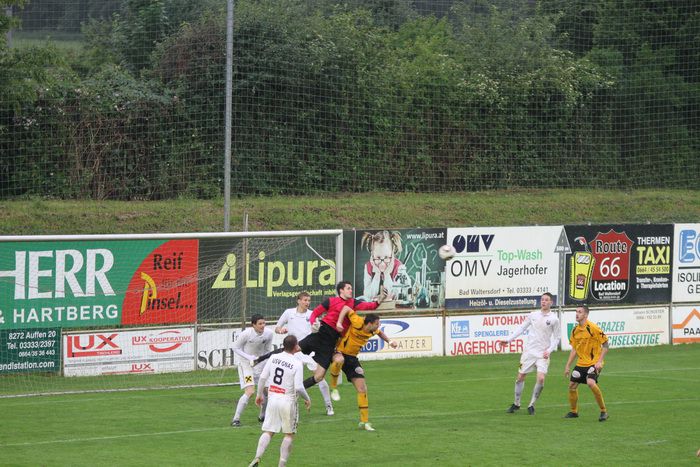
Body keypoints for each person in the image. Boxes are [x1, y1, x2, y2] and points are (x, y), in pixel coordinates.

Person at [298, 281, 386, 389]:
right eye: (348, 288)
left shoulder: (353, 303)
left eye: (351, 288)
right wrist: (313, 323)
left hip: (331, 343)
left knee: (319, 376)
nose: (351, 290)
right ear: (341, 290)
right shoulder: (331, 301)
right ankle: (274, 357)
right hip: (321, 334)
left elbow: (370, 306)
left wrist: (380, 299)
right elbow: (315, 313)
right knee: (292, 349)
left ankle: (297, 390)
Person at [328, 306, 397, 431]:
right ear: (369, 323)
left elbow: (380, 333)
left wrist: (390, 342)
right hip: (339, 352)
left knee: (362, 388)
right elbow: (346, 308)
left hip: (352, 359)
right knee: (339, 361)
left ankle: (364, 422)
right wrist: (339, 322)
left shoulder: (373, 330)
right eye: (377, 324)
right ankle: (333, 388)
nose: (378, 326)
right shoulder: (357, 321)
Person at [247, 335, 311, 467]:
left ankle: (257, 457)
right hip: (288, 401)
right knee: (288, 435)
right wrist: (307, 399)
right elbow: (299, 387)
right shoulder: (297, 363)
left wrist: (259, 395)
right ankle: (281, 465)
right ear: (295, 346)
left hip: (272, 399)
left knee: (268, 431)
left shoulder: (274, 357)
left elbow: (263, 377)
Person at [496, 292, 561, 415]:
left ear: (551, 302)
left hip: (543, 354)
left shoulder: (554, 319)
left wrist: (549, 350)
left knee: (541, 378)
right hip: (529, 352)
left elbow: (557, 337)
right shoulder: (533, 315)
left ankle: (531, 405)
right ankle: (516, 403)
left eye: (546, 300)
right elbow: (521, 328)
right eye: (542, 299)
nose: (544, 301)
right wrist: (508, 340)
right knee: (520, 377)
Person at [275, 291, 334, 416]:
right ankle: (288, 408)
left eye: (309, 300)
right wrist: (281, 330)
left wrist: (316, 329)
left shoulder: (312, 314)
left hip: (308, 350)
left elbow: (316, 331)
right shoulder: (288, 313)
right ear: (298, 301)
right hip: (294, 351)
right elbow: (277, 327)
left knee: (319, 377)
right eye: (305, 300)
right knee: (289, 380)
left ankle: (328, 405)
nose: (307, 303)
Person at [564, 304, 610, 421]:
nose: (577, 314)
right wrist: (568, 365)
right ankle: (574, 412)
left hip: (594, 362)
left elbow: (605, 345)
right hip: (581, 363)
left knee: (590, 382)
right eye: (576, 311)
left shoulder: (593, 328)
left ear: (585, 314)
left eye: (579, 312)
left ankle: (603, 411)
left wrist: (599, 361)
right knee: (572, 386)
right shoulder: (575, 331)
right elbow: (574, 349)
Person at [231, 314, 274, 427]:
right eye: (260, 324)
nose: (262, 325)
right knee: (250, 392)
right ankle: (236, 419)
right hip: (246, 366)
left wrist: (264, 363)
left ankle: (262, 416)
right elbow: (235, 347)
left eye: (264, 323)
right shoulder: (246, 334)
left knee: (267, 391)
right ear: (253, 325)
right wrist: (249, 357)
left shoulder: (269, 333)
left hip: (260, 366)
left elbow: (267, 351)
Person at [359, 230, 411, 301]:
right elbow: (368, 296)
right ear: (372, 255)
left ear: (392, 253)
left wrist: (387, 274)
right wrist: (377, 274)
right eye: (378, 258)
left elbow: (394, 295)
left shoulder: (399, 267)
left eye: (386, 257)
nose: (382, 264)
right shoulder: (368, 266)